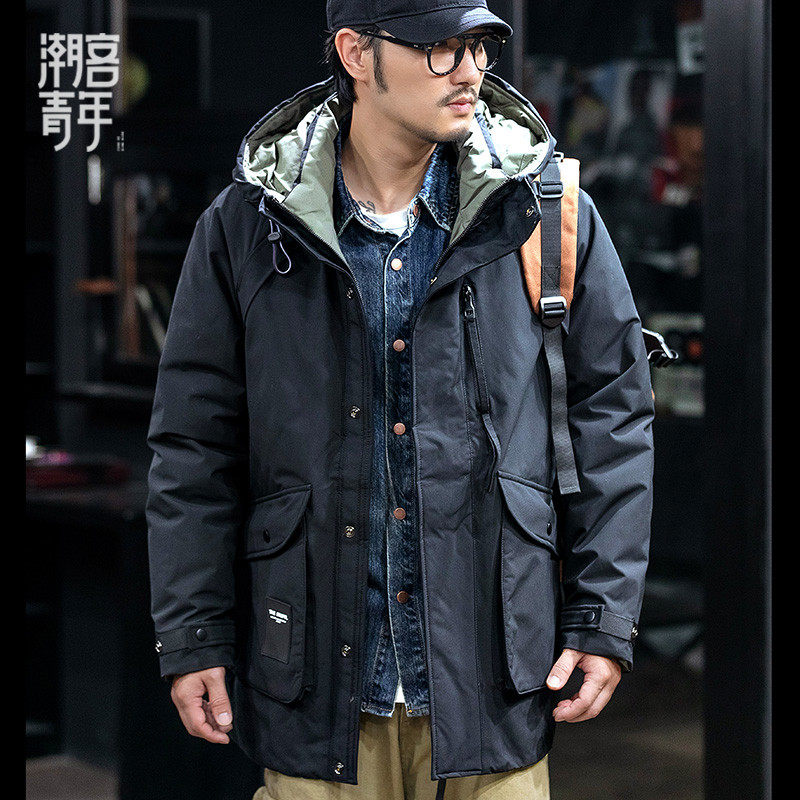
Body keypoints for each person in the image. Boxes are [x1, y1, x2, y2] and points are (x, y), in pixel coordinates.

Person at [146, 2, 654, 798]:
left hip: (492, 675)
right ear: (355, 53)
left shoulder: (543, 212)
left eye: (478, 47)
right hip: (316, 679)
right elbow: (194, 448)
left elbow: (613, 421)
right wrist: (194, 633)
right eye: (438, 48)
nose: (469, 71)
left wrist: (603, 616)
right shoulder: (250, 226)